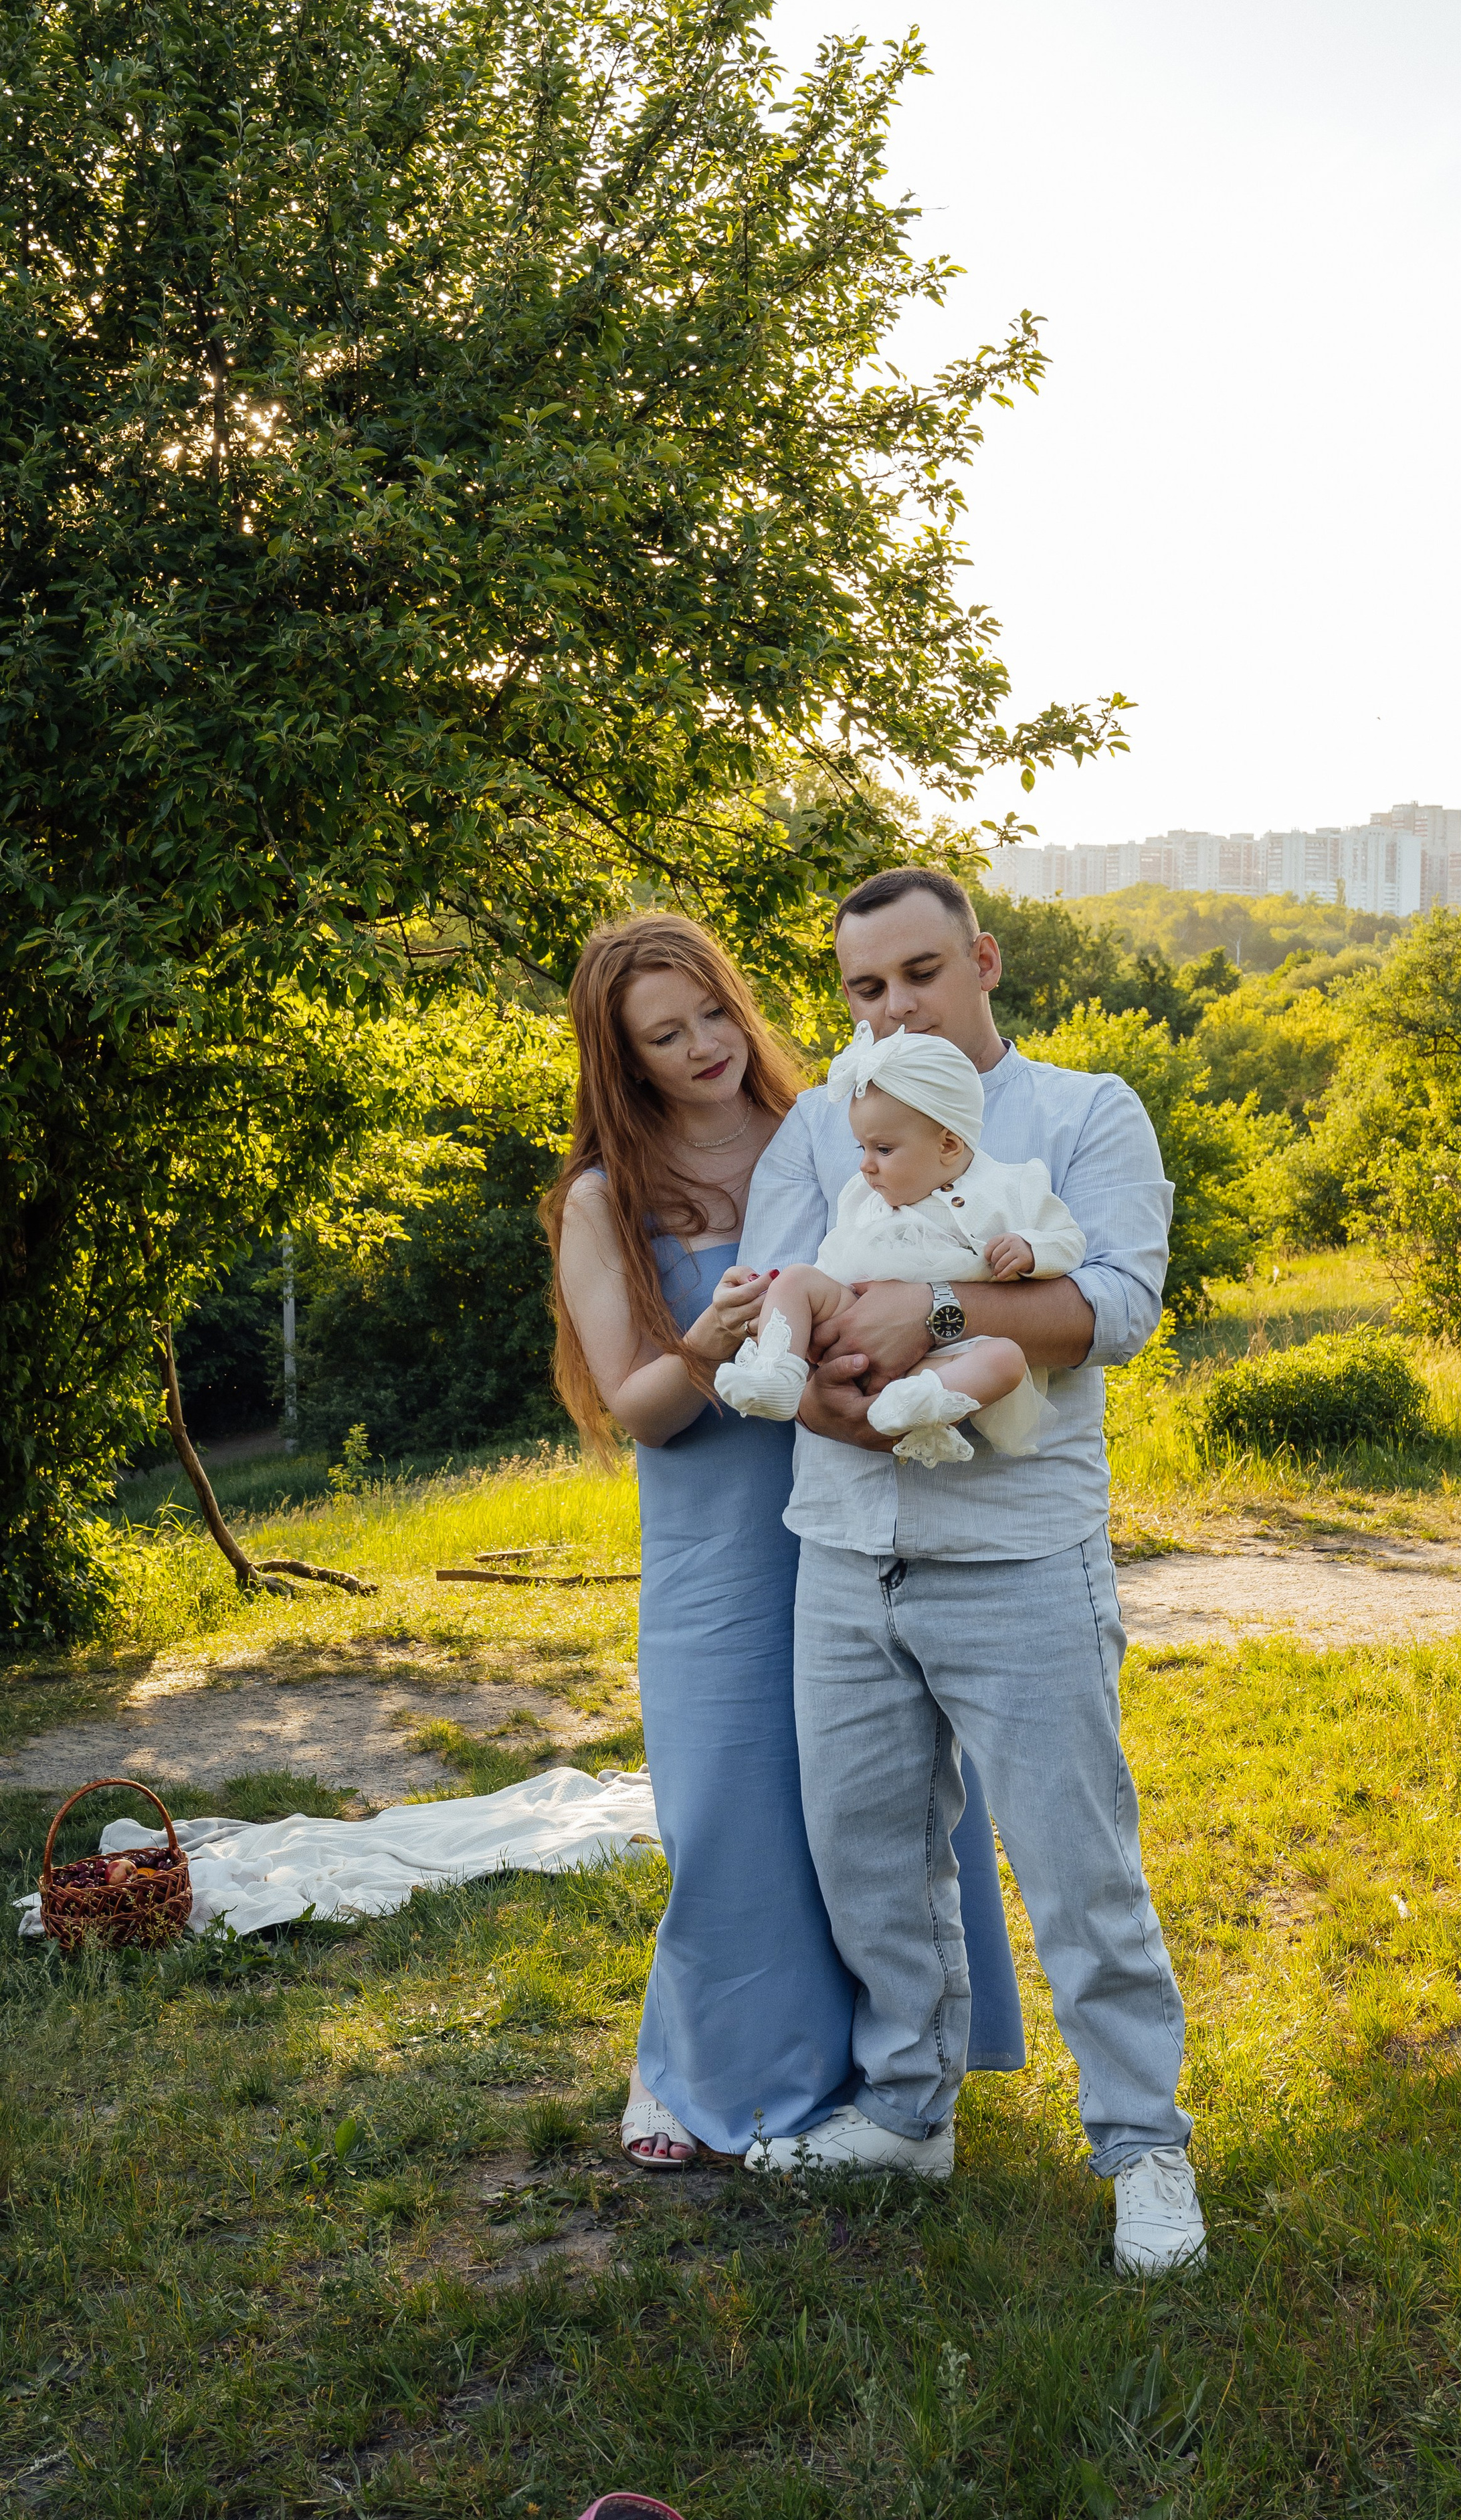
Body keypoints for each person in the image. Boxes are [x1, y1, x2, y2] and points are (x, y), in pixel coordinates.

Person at [737, 868, 1206, 2273]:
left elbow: (1115, 1303)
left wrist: (933, 1306)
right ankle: (905, 2109)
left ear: (983, 960)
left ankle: (1142, 2145)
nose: (892, 1008)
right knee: (866, 1855)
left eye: (919, 974)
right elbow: (775, 1293)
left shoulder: (1079, 1111)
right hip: (840, 1545)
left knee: (1078, 1867)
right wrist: (827, 1385)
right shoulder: (827, 1123)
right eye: (865, 989)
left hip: (1015, 1552)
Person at [541, 911, 1025, 2169]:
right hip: (715, 1545)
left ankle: (896, 2077)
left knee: (876, 1808)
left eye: (713, 1012)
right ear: (622, 1057)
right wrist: (704, 1345)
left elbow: (932, 1254)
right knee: (729, 1812)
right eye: (665, 1034)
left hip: (857, 1511)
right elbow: (641, 1413)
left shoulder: (828, 1127)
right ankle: (706, 2071)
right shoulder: (604, 1200)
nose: (704, 1046)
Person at [715, 1020, 1084, 1464]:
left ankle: (916, 1405)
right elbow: (834, 1261)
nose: (867, 1166)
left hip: (948, 1352)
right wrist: (799, 1309)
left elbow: (1068, 1241)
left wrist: (1030, 1250)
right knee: (793, 1279)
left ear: (948, 1144)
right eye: (862, 1149)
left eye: (884, 1150)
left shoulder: (1013, 1186)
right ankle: (777, 1372)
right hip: (853, 1319)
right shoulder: (863, 1194)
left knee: (1005, 1359)